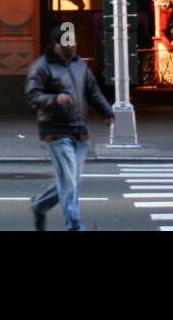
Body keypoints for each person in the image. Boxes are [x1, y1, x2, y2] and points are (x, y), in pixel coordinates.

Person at [26, 22, 114, 231]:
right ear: (56, 45)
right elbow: (33, 95)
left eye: (73, 43)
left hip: (80, 132)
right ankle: (75, 226)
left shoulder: (79, 65)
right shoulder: (42, 66)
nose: (72, 47)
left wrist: (106, 111)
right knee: (70, 183)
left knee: (70, 180)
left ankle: (39, 204)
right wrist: (55, 99)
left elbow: (92, 91)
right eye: (67, 44)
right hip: (56, 131)